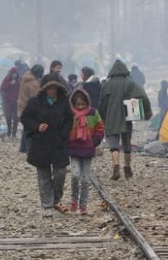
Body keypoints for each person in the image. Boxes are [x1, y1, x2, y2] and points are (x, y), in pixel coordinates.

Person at [20, 74, 73, 217]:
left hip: (59, 143)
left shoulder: (64, 102)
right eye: (49, 88)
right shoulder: (35, 102)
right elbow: (25, 118)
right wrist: (37, 126)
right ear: (44, 89)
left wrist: (63, 134)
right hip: (40, 143)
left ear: (58, 88)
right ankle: (47, 205)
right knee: (43, 175)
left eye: (54, 88)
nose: (52, 90)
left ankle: (56, 199)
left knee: (60, 172)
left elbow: (69, 119)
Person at [98, 59, 152, 180]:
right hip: (127, 117)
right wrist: (147, 111)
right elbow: (142, 96)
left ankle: (116, 166)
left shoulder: (106, 84)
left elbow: (101, 103)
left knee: (113, 143)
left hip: (110, 118)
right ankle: (127, 168)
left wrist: (101, 117)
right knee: (126, 143)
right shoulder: (130, 83)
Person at [67, 88, 104, 215]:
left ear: (87, 103)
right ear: (74, 104)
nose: (80, 107)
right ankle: (73, 200)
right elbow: (65, 127)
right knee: (75, 175)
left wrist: (95, 141)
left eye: (83, 104)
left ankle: (83, 205)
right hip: (74, 148)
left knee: (84, 179)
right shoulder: (70, 114)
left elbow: (100, 127)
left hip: (88, 149)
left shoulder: (93, 113)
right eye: (78, 104)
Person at [17, 64, 45, 153]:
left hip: (22, 105)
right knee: (29, 129)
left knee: (26, 126)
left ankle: (23, 148)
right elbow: (36, 98)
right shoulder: (34, 83)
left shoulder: (25, 77)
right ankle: (29, 150)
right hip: (29, 108)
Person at [0, 67, 21, 139]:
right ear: (11, 74)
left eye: (15, 74)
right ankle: (9, 131)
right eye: (13, 74)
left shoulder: (19, 80)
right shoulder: (7, 79)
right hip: (8, 101)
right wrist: (10, 84)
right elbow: (2, 88)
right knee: (8, 116)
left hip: (16, 102)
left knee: (16, 118)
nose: (14, 75)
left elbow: (21, 90)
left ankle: (14, 133)